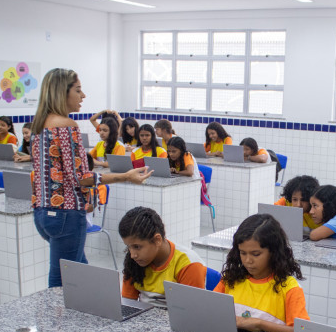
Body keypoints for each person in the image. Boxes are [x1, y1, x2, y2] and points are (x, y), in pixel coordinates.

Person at [31, 68, 152, 287]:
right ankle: (56, 321)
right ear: (62, 92)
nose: (83, 96)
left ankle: (94, 309)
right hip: (65, 214)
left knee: (80, 268)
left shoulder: (38, 126)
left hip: (42, 213)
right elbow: (82, 178)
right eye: (78, 90)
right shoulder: (66, 126)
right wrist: (126, 176)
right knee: (61, 280)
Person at [213, 213, 309, 332]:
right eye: (243, 253)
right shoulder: (230, 279)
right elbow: (211, 313)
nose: (248, 260)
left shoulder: (289, 288)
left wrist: (260, 324)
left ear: (273, 252)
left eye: (256, 254)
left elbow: (302, 331)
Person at [119, 207, 207, 304]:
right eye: (128, 247)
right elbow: (128, 304)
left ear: (157, 240)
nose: (132, 255)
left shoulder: (189, 264)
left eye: (137, 247)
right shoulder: (134, 262)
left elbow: (190, 313)